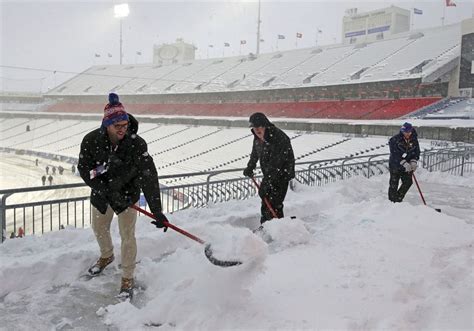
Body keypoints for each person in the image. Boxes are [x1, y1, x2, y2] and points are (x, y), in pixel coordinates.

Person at [78, 92, 168, 298]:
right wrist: (107, 191)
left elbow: (149, 176)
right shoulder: (91, 141)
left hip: (128, 196)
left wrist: (157, 211)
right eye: (117, 126)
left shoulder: (137, 144)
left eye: (125, 125)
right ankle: (106, 255)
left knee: (128, 236)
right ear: (106, 124)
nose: (122, 130)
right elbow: (86, 171)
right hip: (102, 195)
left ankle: (127, 276)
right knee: (99, 228)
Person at [243, 112, 295, 227]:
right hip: (270, 174)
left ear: (265, 125)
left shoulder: (278, 137)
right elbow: (255, 153)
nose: (257, 130)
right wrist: (250, 166)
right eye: (254, 127)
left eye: (259, 126)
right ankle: (267, 226)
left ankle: (278, 228)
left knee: (274, 203)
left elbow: (276, 164)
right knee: (266, 202)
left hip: (282, 174)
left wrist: (265, 183)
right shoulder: (258, 137)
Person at [388, 122, 420, 202]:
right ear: (402, 131)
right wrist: (403, 162)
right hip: (395, 165)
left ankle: (398, 198)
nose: (408, 134)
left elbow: (416, 152)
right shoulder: (394, 140)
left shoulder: (414, 140)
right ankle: (391, 201)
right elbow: (394, 154)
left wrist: (413, 161)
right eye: (406, 132)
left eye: (409, 132)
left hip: (407, 167)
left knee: (408, 182)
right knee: (394, 184)